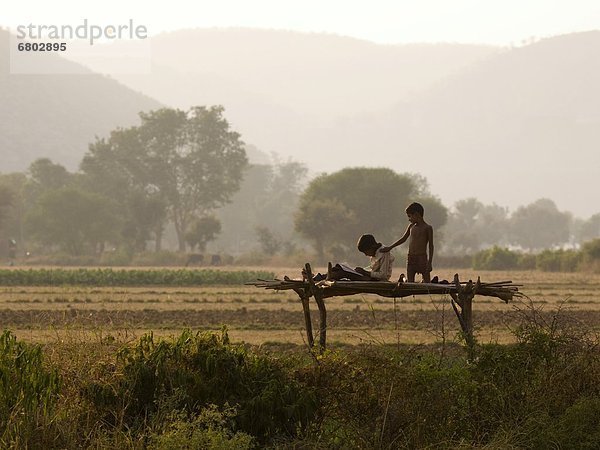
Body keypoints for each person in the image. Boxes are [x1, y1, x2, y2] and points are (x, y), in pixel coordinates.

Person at [381, 202, 434, 282]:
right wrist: (390, 247)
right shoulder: (411, 226)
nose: (409, 219)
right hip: (411, 258)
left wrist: (429, 263)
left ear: (416, 214)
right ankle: (404, 279)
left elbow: (431, 246)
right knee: (410, 283)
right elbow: (403, 239)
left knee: (427, 284)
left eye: (410, 216)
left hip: (422, 258)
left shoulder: (427, 228)